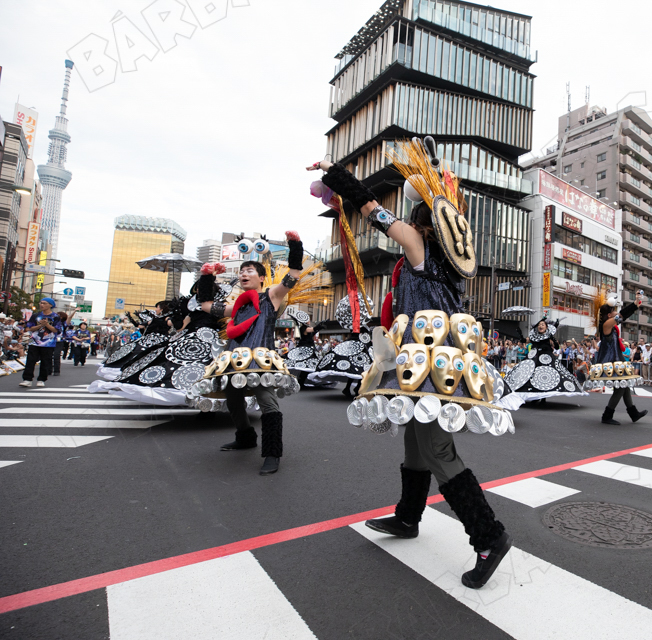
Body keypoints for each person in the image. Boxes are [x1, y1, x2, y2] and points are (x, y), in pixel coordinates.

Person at [313, 146, 512, 589]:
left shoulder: (419, 247)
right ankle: (407, 518)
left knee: (438, 450)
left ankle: (489, 536)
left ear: (421, 221)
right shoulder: (453, 262)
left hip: (429, 357)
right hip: (437, 355)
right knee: (416, 442)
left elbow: (370, 210)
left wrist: (335, 173)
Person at [198, 231, 304, 476]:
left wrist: (295, 245)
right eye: (241, 271)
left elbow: (293, 275)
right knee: (233, 399)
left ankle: (272, 453)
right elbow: (205, 306)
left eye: (249, 271)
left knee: (268, 403)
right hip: (234, 360)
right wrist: (206, 277)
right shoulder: (236, 307)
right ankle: (245, 437)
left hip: (261, 360)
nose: (243, 274)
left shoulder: (272, 297)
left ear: (262, 277)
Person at [592, 291, 648, 425]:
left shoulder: (610, 325)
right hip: (611, 362)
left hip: (617, 360)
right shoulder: (606, 325)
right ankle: (607, 415)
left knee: (625, 385)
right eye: (613, 311)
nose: (616, 313)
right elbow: (622, 315)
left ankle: (633, 413)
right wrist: (634, 304)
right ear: (609, 315)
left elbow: (622, 315)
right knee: (621, 388)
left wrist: (636, 303)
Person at [505, 316, 586, 403]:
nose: (541, 326)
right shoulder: (533, 335)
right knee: (533, 377)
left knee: (545, 377)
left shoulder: (548, 336)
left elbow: (556, 346)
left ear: (546, 327)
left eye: (543, 324)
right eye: (539, 325)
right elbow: (524, 340)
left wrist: (553, 338)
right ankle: (535, 396)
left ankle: (543, 398)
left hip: (547, 360)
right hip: (534, 359)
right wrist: (520, 334)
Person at [20, 298, 64, 387]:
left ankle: (41, 379)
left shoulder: (55, 317)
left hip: (49, 343)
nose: (41, 305)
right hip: (34, 341)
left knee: (45, 361)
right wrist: (40, 325)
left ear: (50, 305)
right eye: (41, 303)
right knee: (30, 360)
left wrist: (47, 324)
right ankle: (27, 379)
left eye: (44, 303)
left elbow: (56, 330)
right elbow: (29, 328)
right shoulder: (36, 315)